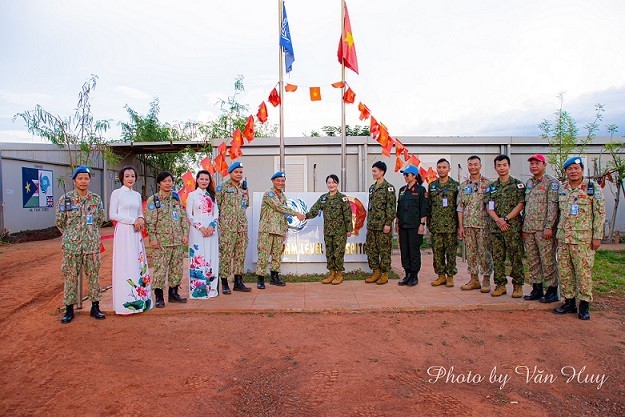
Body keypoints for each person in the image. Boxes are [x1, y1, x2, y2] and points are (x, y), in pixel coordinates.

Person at [554, 156, 605, 320]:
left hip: (583, 239)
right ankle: (568, 302)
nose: (573, 171)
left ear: (582, 169)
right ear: (566, 171)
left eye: (576, 168)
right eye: (570, 169)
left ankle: (584, 304)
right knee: (565, 272)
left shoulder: (592, 188)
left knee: (583, 273)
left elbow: (599, 214)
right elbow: (559, 213)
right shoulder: (563, 188)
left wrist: (597, 236)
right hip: (563, 238)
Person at [55, 165, 106, 323]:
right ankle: (69, 309)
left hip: (91, 246)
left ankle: (95, 307)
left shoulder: (96, 199)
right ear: (74, 181)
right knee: (70, 277)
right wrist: (72, 235)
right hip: (72, 247)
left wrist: (89, 235)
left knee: (93, 277)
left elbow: (100, 220)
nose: (83, 181)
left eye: (86, 178)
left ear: (90, 180)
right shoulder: (66, 199)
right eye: (80, 178)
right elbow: (60, 222)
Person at [109, 166, 153, 315]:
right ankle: (124, 302)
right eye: (127, 176)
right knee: (124, 262)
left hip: (136, 232)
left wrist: (140, 218)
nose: (130, 179)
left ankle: (141, 298)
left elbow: (140, 212)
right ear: (122, 177)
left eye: (132, 176)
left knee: (137, 261)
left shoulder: (136, 195)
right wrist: (131, 220)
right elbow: (112, 215)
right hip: (123, 231)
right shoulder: (117, 193)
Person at [144, 171, 189, 307]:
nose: (168, 183)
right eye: (164, 181)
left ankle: (173, 293)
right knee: (160, 269)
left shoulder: (176, 198)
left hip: (176, 241)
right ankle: (159, 297)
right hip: (161, 242)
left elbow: (182, 217)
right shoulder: (154, 200)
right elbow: (150, 221)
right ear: (159, 184)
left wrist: (184, 234)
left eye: (170, 181)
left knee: (176, 269)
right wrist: (152, 238)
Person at [255, 171, 306, 288]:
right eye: (278, 181)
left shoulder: (283, 196)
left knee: (277, 254)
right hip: (267, 230)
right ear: (273, 181)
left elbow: (283, 216)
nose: (280, 183)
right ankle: (260, 278)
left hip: (278, 230)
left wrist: (284, 231)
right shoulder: (269, 194)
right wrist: (296, 213)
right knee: (264, 254)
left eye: (282, 181)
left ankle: (274, 276)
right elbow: (279, 207)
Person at [485, 155, 525, 297]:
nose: (501, 168)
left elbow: (521, 204)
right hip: (496, 228)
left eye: (504, 165)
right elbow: (489, 207)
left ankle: (518, 285)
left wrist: (506, 219)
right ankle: (500, 285)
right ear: (495, 167)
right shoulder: (491, 188)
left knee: (516, 256)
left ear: (509, 166)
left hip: (512, 227)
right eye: (499, 165)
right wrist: (499, 221)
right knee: (498, 257)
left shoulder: (518, 185)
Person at [522, 154, 560, 303]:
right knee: (533, 260)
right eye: (531, 163)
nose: (533, 166)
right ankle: (536, 289)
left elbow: (553, 206)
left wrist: (549, 227)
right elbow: (527, 206)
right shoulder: (529, 182)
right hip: (529, 228)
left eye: (537, 163)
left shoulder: (551, 183)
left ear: (544, 165)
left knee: (547, 260)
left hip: (544, 230)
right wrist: (524, 227)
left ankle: (551, 290)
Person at [305, 174, 353, 285]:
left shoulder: (342, 198)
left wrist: (349, 229)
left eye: (334, 182)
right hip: (328, 231)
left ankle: (339, 274)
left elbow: (348, 215)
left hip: (340, 232)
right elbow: (314, 210)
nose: (331, 185)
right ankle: (331, 273)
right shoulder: (323, 198)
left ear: (337, 184)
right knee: (330, 253)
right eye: (329, 182)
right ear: (326, 184)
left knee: (338, 253)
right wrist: (305, 216)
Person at [457, 155, 493, 292]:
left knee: (484, 253)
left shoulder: (488, 185)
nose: (473, 167)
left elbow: (491, 205)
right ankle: (474, 279)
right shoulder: (464, 186)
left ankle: (486, 279)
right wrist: (461, 226)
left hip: (483, 224)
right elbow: (460, 207)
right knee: (471, 253)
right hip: (468, 224)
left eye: (475, 164)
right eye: (470, 164)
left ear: (480, 166)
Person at [216, 161, 251, 293]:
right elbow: (217, 206)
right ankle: (224, 282)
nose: (238, 174)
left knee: (240, 255)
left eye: (240, 172)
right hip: (227, 227)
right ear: (230, 173)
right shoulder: (223, 187)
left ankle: (238, 282)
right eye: (236, 172)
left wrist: (245, 191)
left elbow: (246, 205)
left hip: (241, 226)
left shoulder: (244, 188)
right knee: (226, 254)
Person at [186, 170, 219, 299]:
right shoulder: (192, 195)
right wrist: (201, 227)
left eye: (207, 179)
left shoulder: (212, 196)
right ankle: (198, 289)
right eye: (202, 179)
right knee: (198, 257)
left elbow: (216, 213)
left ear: (209, 181)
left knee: (211, 256)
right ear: (197, 180)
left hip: (211, 231)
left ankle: (211, 289)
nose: (204, 181)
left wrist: (211, 226)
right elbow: (189, 215)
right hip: (197, 231)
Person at [428, 158, 460, 287]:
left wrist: (459, 226)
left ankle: (450, 275)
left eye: (444, 167)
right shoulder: (432, 186)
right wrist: (429, 223)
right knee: (437, 252)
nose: (441, 170)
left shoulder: (455, 186)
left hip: (451, 226)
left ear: (449, 169)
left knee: (451, 252)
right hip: (436, 226)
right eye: (439, 167)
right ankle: (440, 275)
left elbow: (459, 207)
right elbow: (429, 205)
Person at [364, 161, 396, 285]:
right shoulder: (372, 188)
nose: (373, 173)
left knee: (384, 250)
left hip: (383, 226)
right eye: (372, 171)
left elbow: (391, 207)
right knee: (371, 249)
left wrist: (388, 223)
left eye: (374, 171)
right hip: (372, 225)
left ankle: (384, 273)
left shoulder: (389, 188)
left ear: (381, 172)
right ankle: (376, 272)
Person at [395, 165, 427, 286]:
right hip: (403, 225)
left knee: (414, 250)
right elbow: (399, 208)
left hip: (414, 225)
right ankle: (407, 273)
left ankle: (414, 275)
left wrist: (422, 224)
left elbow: (423, 209)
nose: (405, 177)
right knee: (404, 250)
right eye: (404, 174)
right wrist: (397, 223)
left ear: (414, 176)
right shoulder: (402, 190)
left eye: (407, 174)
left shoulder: (420, 190)